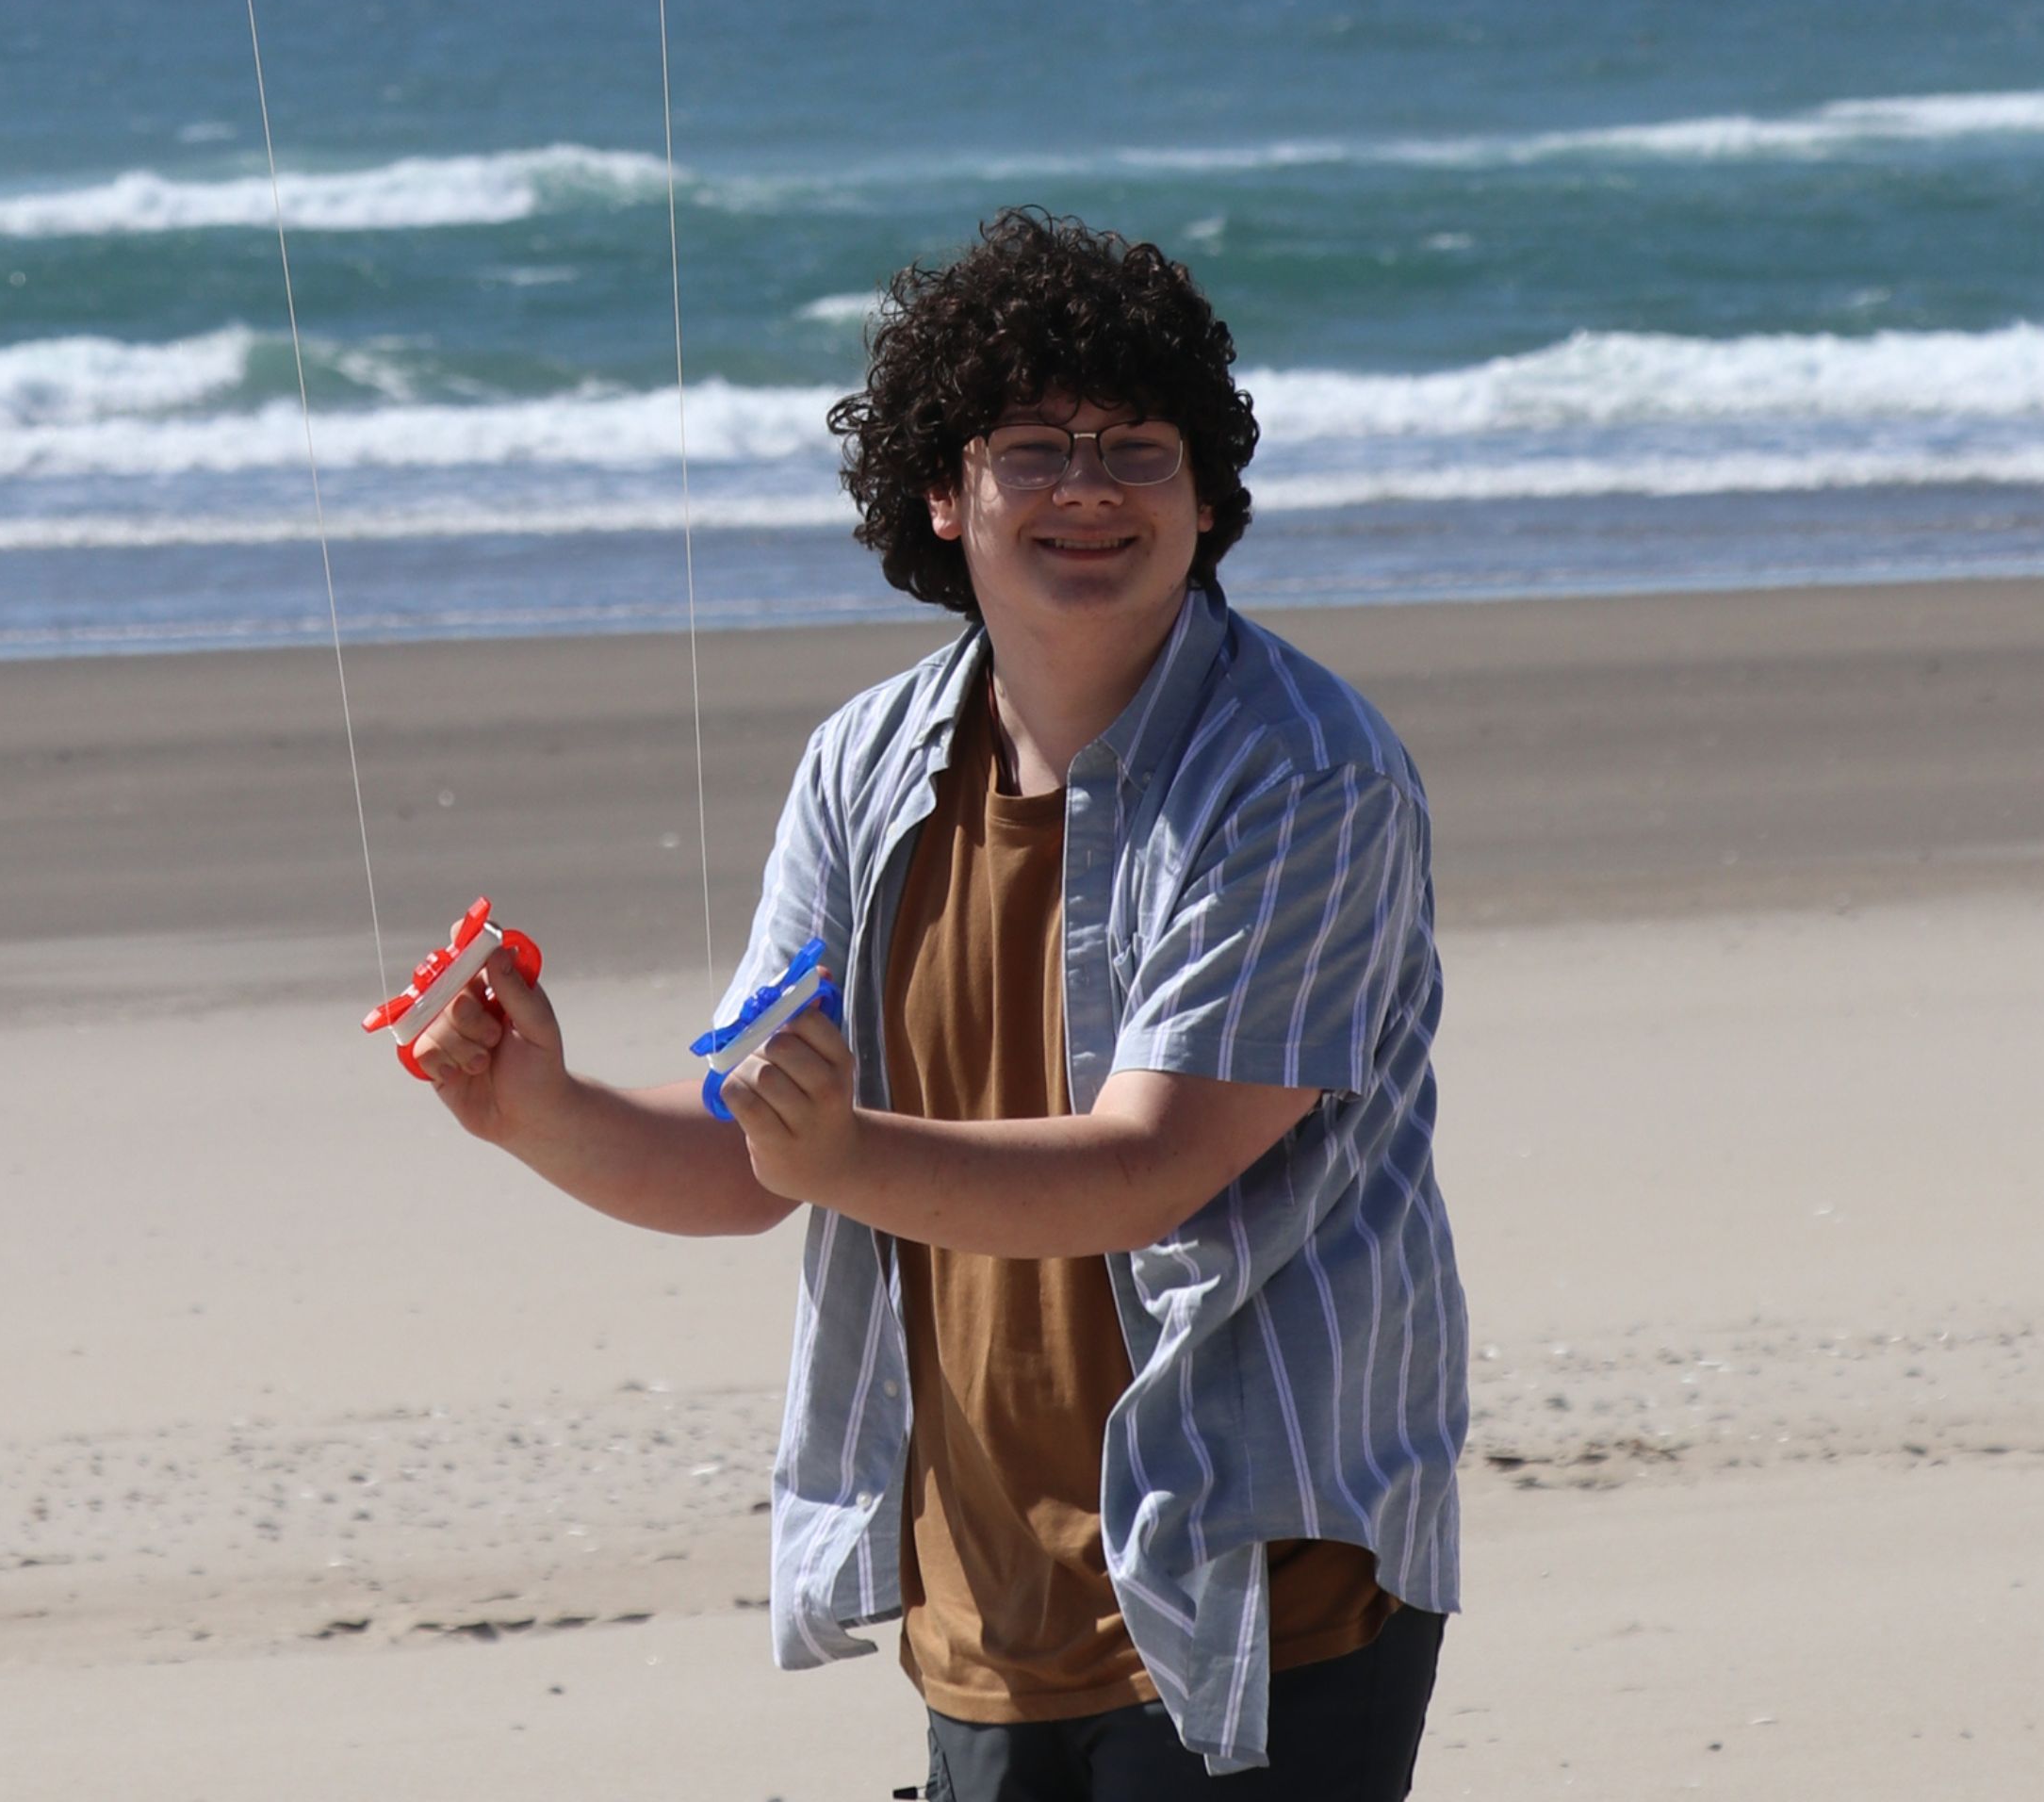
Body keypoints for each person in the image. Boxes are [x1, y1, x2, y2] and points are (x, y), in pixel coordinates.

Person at [412, 209, 1466, 1795]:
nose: (1092, 487)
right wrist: (532, 1109)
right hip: (980, 1602)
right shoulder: (865, 764)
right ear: (939, 491)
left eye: (1139, 447)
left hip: (1260, 1582)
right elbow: (746, 1150)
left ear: (1205, 494)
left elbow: (1145, 1168)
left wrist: (826, 1153)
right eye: (1033, 446)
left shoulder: (1300, 772)